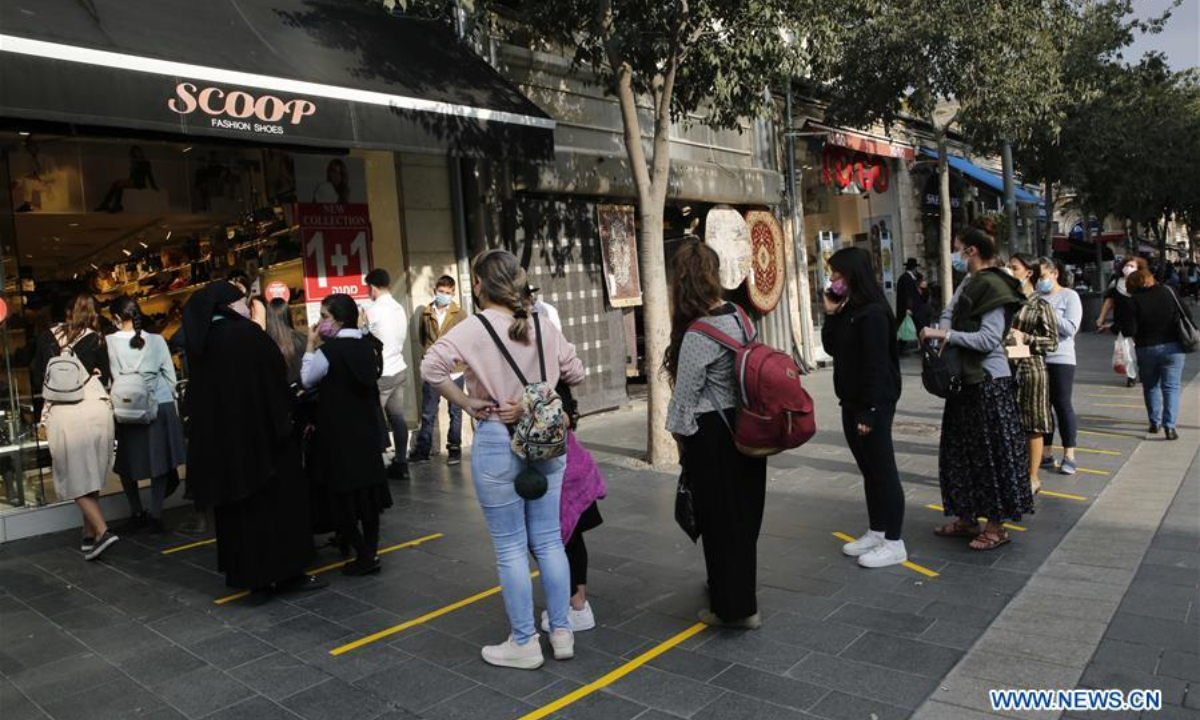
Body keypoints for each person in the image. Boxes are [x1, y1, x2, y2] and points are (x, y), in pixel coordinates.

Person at [421, 249, 584, 669]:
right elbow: (576, 372)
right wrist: (543, 390)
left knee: (511, 547)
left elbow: (431, 366)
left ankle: (524, 642)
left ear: (479, 285)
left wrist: (466, 401)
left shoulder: (475, 328)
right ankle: (562, 631)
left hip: (498, 439)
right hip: (548, 439)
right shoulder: (543, 324)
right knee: (549, 540)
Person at [182, 281, 320, 592]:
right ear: (231, 306)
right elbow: (274, 380)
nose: (248, 306)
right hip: (264, 442)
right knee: (277, 508)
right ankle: (286, 572)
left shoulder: (203, 341)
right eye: (244, 302)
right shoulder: (246, 335)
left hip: (225, 446)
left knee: (237, 516)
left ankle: (250, 578)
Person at [665, 240, 767, 628]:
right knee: (744, 519)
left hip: (712, 435)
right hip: (746, 426)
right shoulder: (741, 316)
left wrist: (679, 444)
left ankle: (734, 610)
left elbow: (683, 402)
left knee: (720, 523)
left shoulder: (697, 334)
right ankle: (740, 598)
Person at [921, 228, 1031, 551]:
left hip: (987, 383)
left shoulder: (994, 285)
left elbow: (988, 339)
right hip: (964, 383)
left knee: (990, 456)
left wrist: (946, 337)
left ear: (971, 251)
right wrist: (942, 331)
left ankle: (996, 527)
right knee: (959, 453)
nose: (954, 256)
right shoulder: (968, 283)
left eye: (957, 250)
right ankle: (967, 518)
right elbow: (947, 313)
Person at [822, 247, 906, 568]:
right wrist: (830, 313)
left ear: (852, 275)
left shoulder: (873, 313)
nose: (832, 280)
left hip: (873, 404)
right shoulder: (849, 309)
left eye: (837, 275)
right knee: (869, 469)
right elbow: (832, 348)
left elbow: (877, 368)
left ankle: (895, 541)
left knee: (883, 470)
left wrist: (870, 411)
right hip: (851, 401)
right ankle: (878, 530)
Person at [302, 294, 392, 575]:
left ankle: (363, 554)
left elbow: (307, 379)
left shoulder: (327, 353)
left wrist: (309, 345)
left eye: (325, 317)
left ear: (339, 320)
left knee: (343, 496)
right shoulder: (367, 347)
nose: (321, 323)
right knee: (369, 496)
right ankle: (371, 552)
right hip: (366, 432)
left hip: (338, 434)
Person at [32, 295, 118, 560]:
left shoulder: (47, 337)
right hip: (96, 408)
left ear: (67, 312)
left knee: (70, 474)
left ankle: (103, 531)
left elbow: (38, 377)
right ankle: (88, 534)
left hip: (65, 411)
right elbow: (106, 374)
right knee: (90, 472)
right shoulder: (97, 339)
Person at [107, 296, 187, 534]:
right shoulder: (157, 341)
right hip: (158, 405)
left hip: (128, 407)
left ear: (118, 318)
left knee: (126, 462)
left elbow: (114, 378)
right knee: (159, 463)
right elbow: (171, 378)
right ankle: (156, 514)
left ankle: (136, 511)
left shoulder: (109, 342)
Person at [540, 389, 605, 633]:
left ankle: (575, 605)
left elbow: (566, 418)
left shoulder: (547, 372)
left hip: (562, 472)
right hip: (573, 467)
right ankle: (578, 605)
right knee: (571, 537)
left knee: (547, 542)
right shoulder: (555, 367)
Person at [1006, 255, 1059, 495]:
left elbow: (1052, 341)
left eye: (1013, 267)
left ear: (1028, 273)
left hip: (1031, 369)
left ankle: (1032, 476)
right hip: (1006, 367)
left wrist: (1025, 337)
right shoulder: (1006, 300)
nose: (1009, 270)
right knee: (1009, 424)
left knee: (1033, 424)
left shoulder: (1040, 304)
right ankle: (1015, 472)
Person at [1127, 269, 1191, 440]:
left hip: (1146, 348)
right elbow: (1187, 314)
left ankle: (1154, 423)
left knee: (1150, 387)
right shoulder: (1169, 292)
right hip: (1173, 347)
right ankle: (1170, 427)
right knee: (1171, 387)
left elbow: (1130, 329)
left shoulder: (1133, 301)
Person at [413, 275, 467, 466]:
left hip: (455, 371)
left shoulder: (460, 314)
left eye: (448, 293)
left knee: (455, 411)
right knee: (428, 412)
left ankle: (454, 448)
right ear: (435, 290)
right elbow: (422, 338)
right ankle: (423, 449)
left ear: (453, 293)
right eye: (441, 292)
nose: (444, 295)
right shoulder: (427, 312)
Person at [1036, 257, 1082, 475]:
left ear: (1055, 273)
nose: (1040, 281)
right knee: (1042, 409)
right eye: (1037, 277)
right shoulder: (1035, 297)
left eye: (1043, 276)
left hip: (1061, 358)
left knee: (1062, 404)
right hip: (1037, 358)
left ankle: (1069, 454)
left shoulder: (1069, 296)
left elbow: (1070, 329)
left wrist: (1047, 311)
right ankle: (1045, 452)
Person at [363, 269, 410, 480]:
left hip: (381, 375)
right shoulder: (399, 307)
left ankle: (375, 465)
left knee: (372, 420)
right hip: (399, 368)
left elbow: (362, 337)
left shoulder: (374, 310)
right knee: (398, 418)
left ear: (372, 287)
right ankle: (402, 462)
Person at [1096, 257, 1146, 387]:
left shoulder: (1143, 282)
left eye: (1132, 266)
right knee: (1127, 351)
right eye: (1127, 265)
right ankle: (1131, 376)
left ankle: (1144, 372)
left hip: (1142, 322)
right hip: (1123, 322)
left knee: (1142, 350)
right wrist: (1101, 317)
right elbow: (1109, 301)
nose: (1128, 268)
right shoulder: (1116, 282)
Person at [264, 298, 307, 385]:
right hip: (299, 392)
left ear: (268, 316)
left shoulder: (263, 342)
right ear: (288, 314)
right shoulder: (301, 339)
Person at [896, 257, 931, 347]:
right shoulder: (906, 279)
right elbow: (908, 295)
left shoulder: (907, 278)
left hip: (913, 309)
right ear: (914, 268)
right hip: (911, 310)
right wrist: (908, 308)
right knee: (906, 329)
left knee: (907, 329)